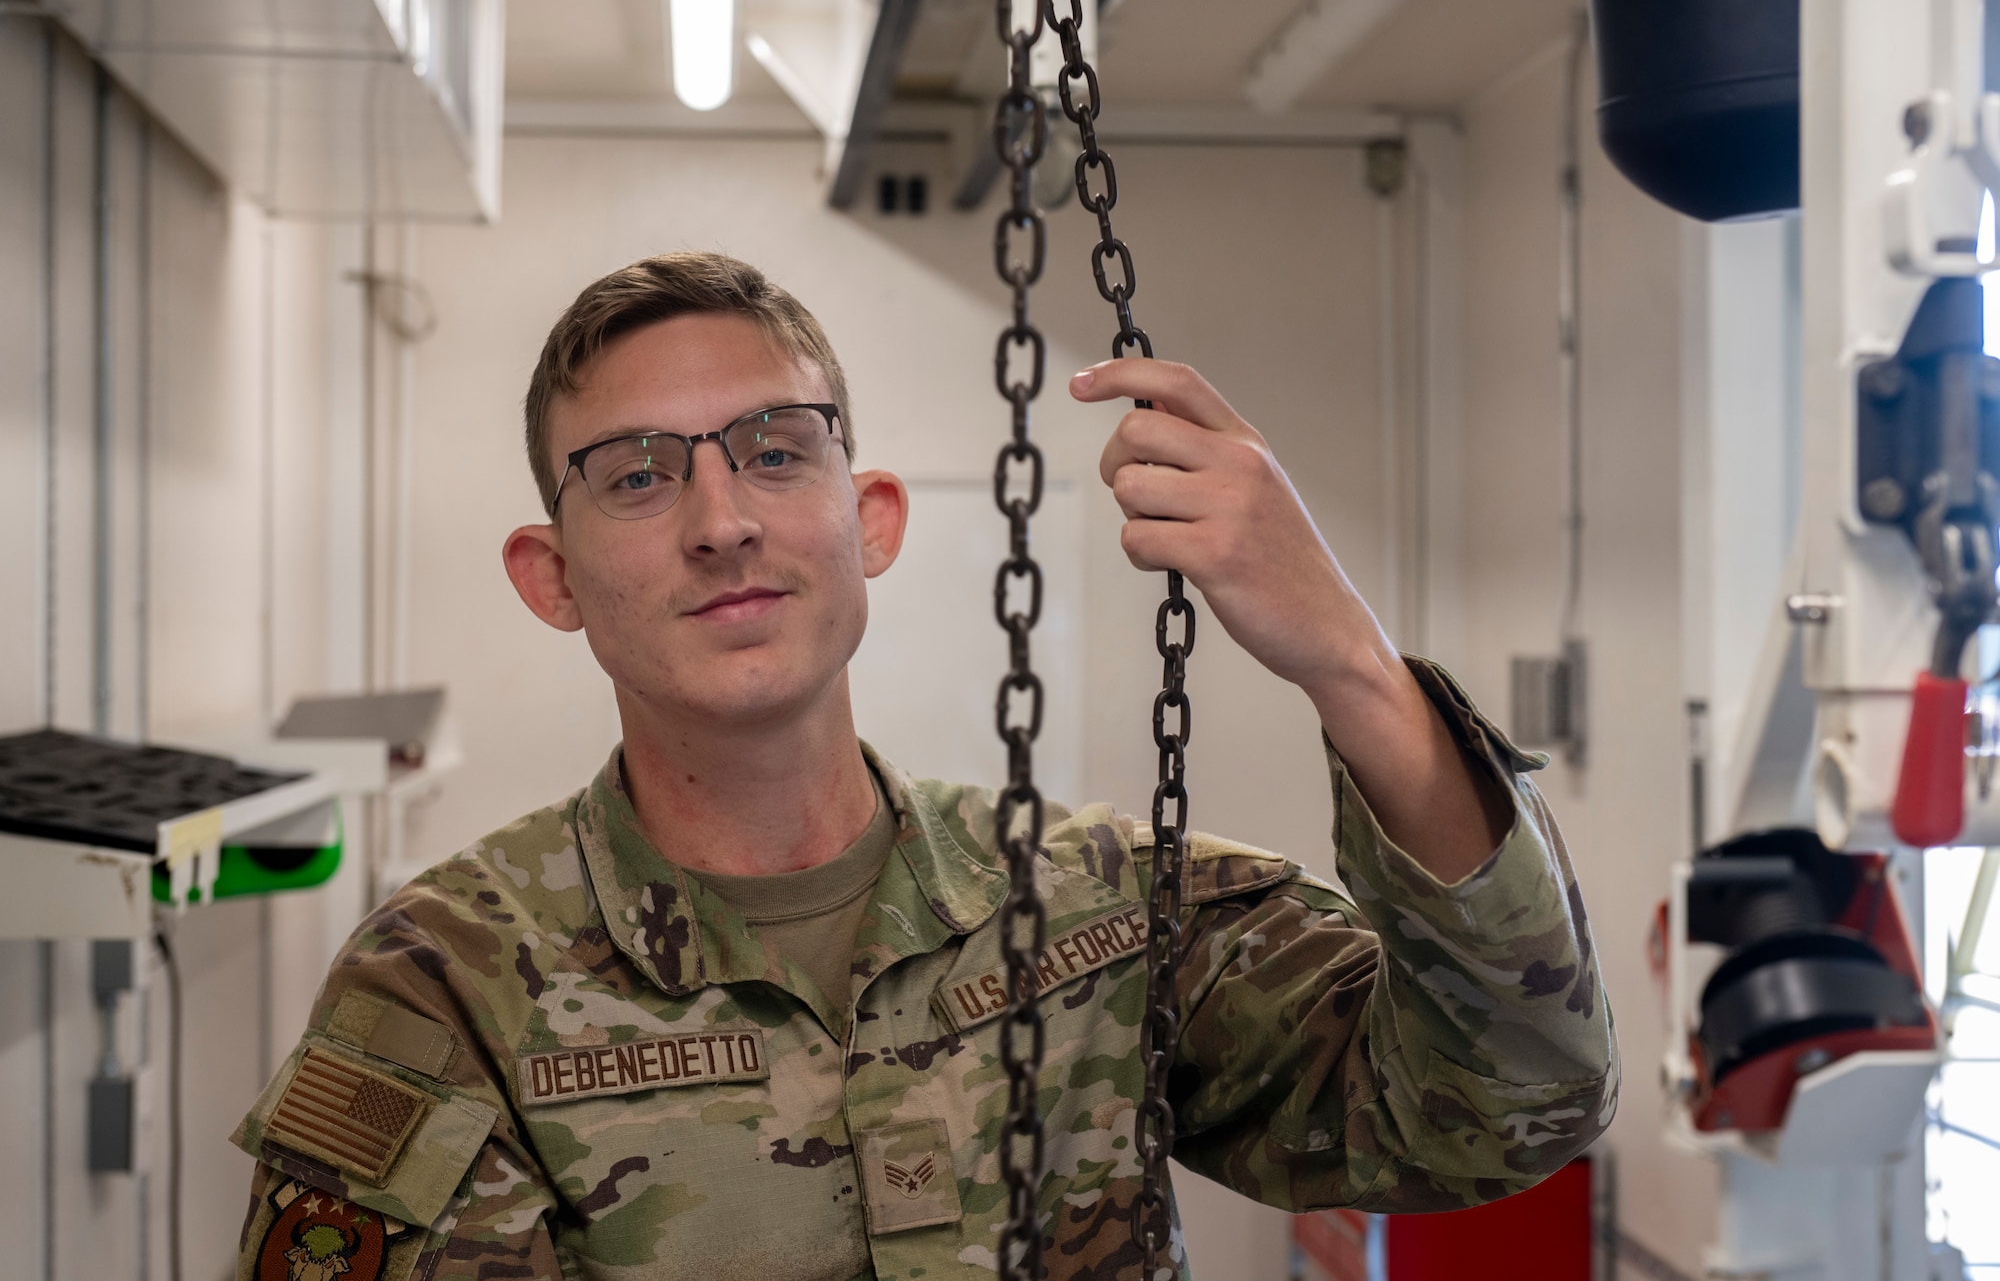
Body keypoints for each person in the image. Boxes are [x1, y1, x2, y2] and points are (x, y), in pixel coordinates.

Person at [231, 252, 1614, 1281]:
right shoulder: (450, 985)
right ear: (554, 577)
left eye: (777, 451)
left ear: (869, 519)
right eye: (639, 475)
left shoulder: (1100, 913)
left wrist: (1353, 667)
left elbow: (1516, 1102)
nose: (722, 521)